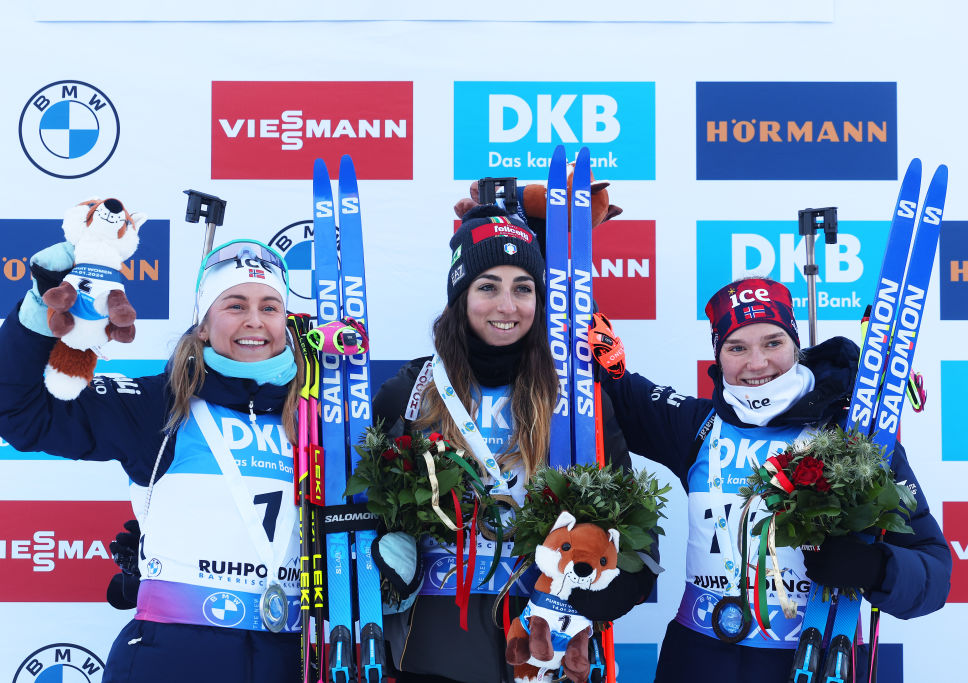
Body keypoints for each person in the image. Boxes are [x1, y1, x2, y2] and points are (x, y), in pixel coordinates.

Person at [0, 236, 307, 683]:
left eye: (270, 307)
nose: (254, 321)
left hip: (289, 660)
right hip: (172, 659)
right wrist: (40, 312)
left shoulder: (314, 418)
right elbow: (15, 409)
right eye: (235, 305)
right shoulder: (158, 405)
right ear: (204, 325)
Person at [598, 277, 951, 682]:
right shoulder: (698, 426)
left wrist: (876, 568)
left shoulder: (851, 440)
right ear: (718, 356)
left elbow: (935, 572)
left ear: (795, 346)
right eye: (736, 347)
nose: (756, 363)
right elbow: (616, 388)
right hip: (695, 658)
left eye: (772, 343)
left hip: (808, 660)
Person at [371, 205, 659, 683]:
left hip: (546, 641)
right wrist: (382, 563)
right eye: (488, 287)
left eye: (523, 289)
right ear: (460, 296)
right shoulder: (410, 393)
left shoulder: (577, 400)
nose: (507, 306)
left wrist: (600, 590)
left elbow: (636, 537)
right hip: (433, 650)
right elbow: (363, 517)